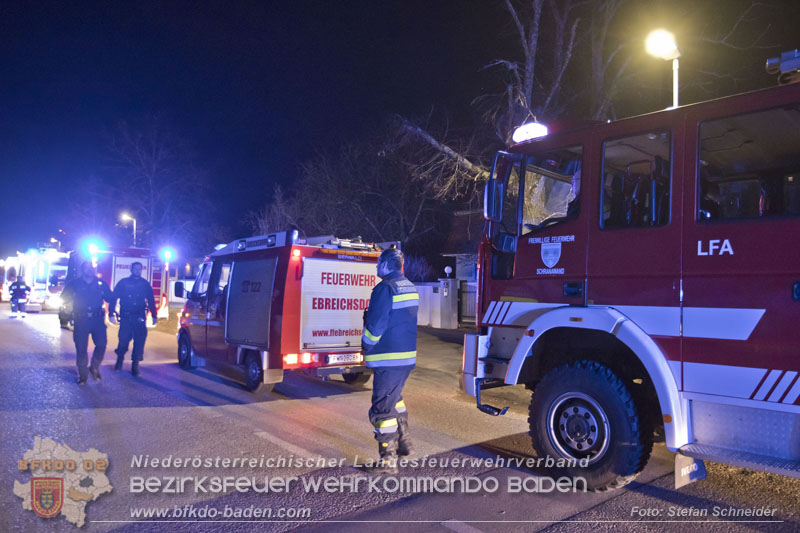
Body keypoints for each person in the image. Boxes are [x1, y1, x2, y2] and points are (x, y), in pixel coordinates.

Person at [361, 247, 419, 474]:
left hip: (388, 358)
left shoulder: (385, 289)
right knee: (395, 399)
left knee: (382, 409)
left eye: (378, 263)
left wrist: (366, 344)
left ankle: (388, 460)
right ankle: (405, 443)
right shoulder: (409, 286)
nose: (376, 267)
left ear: (386, 264)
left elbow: (376, 326)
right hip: (405, 357)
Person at [62, 262, 113, 384]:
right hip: (81, 319)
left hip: (97, 320)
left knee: (101, 344)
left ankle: (94, 366)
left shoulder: (101, 284)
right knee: (81, 348)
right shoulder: (74, 284)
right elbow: (64, 298)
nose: (90, 270)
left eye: (92, 268)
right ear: (82, 270)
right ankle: (83, 375)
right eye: (87, 268)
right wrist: (67, 305)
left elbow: (110, 298)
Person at [109, 261, 157, 377]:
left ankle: (135, 366)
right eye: (135, 269)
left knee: (139, 342)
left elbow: (151, 300)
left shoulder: (145, 284)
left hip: (139, 317)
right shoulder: (123, 283)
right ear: (131, 270)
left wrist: (154, 315)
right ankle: (119, 360)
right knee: (123, 340)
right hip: (126, 317)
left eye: (139, 269)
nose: (137, 271)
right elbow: (113, 298)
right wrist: (111, 313)